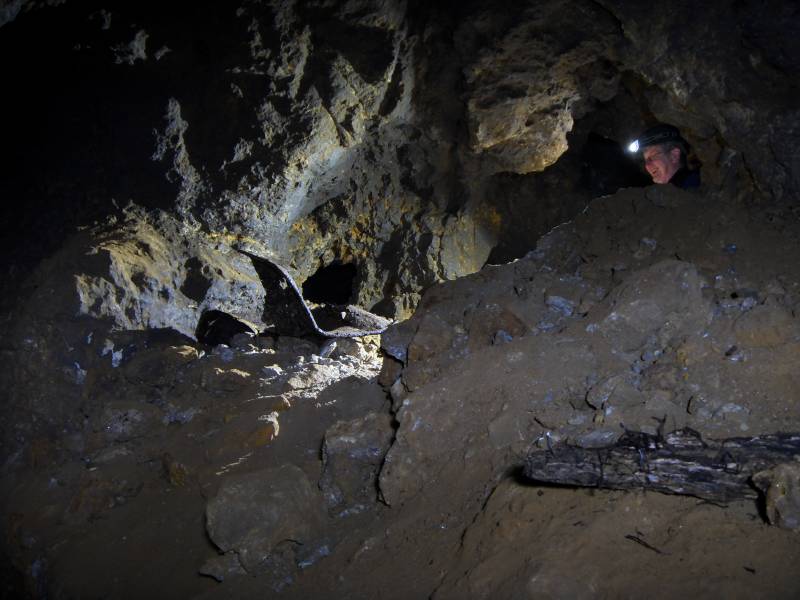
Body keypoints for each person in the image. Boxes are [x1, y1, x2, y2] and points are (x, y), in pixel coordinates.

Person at [627, 123, 700, 189]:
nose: (647, 165)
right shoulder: (659, 197)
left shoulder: (695, 186)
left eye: (654, 156)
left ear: (674, 156)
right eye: (646, 160)